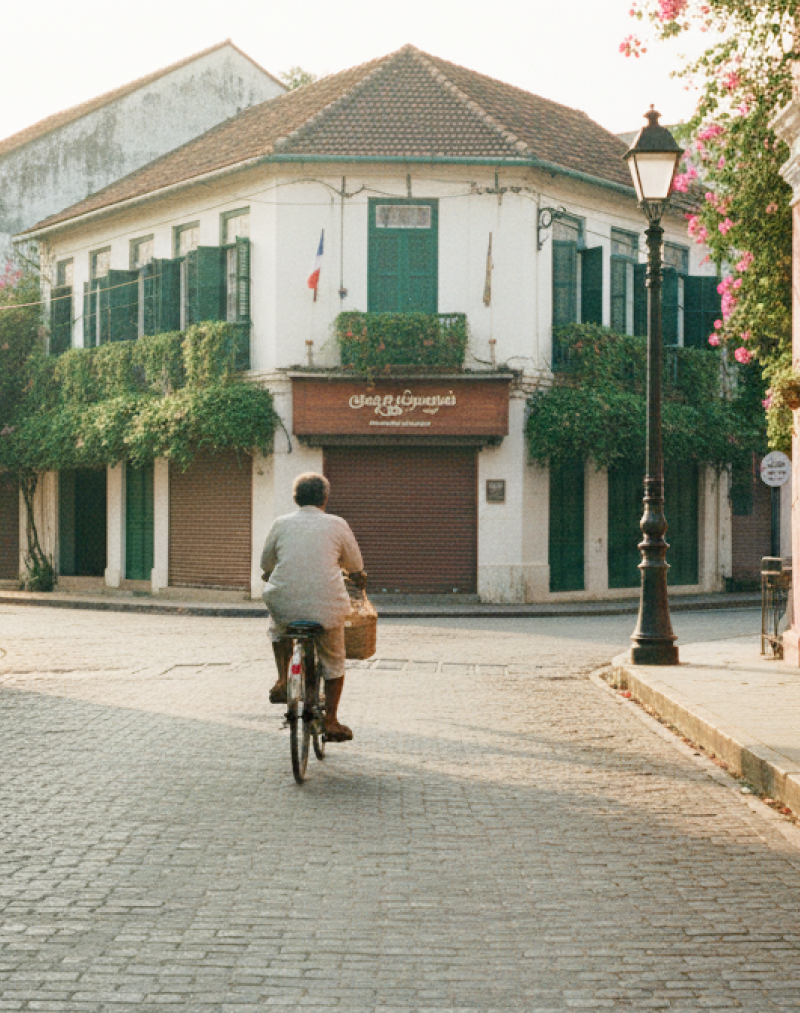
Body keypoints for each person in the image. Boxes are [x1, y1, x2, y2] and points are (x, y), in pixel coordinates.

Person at [260, 472, 366, 742]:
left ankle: (283, 681)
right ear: (325, 498)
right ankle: (330, 720)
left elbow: (266, 564)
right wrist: (356, 575)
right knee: (333, 659)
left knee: (278, 628)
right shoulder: (337, 524)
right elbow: (355, 565)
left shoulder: (281, 524)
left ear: (295, 498)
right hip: (327, 607)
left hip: (284, 603)